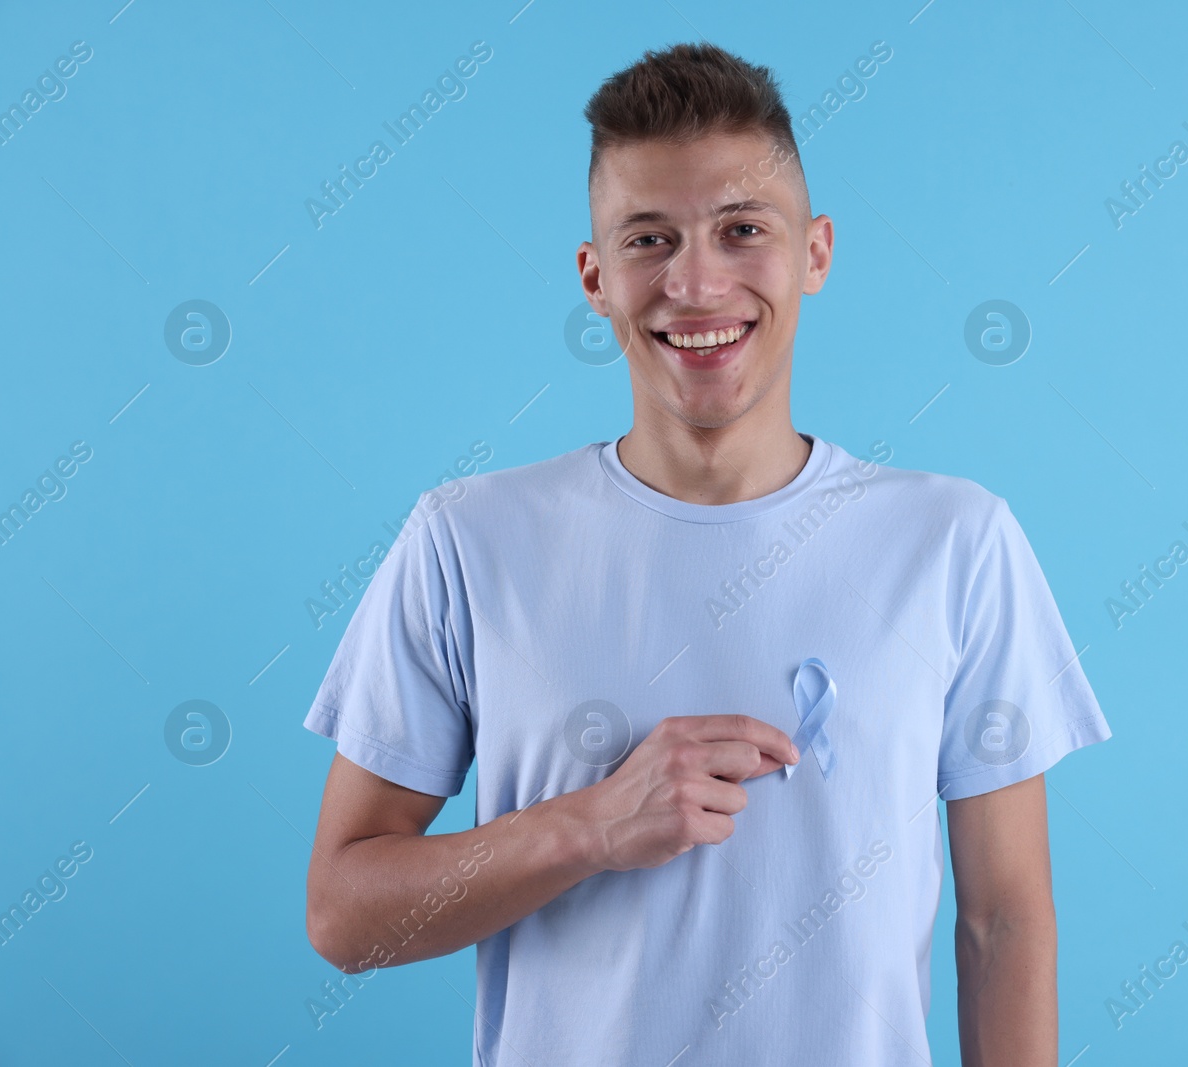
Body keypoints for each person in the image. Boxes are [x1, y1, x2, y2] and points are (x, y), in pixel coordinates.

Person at [302, 41, 1111, 1067]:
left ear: (814, 253)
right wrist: (590, 824)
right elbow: (343, 914)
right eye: (648, 238)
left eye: (741, 230)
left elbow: (1001, 923)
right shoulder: (467, 539)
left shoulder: (955, 541)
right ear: (594, 278)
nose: (695, 282)